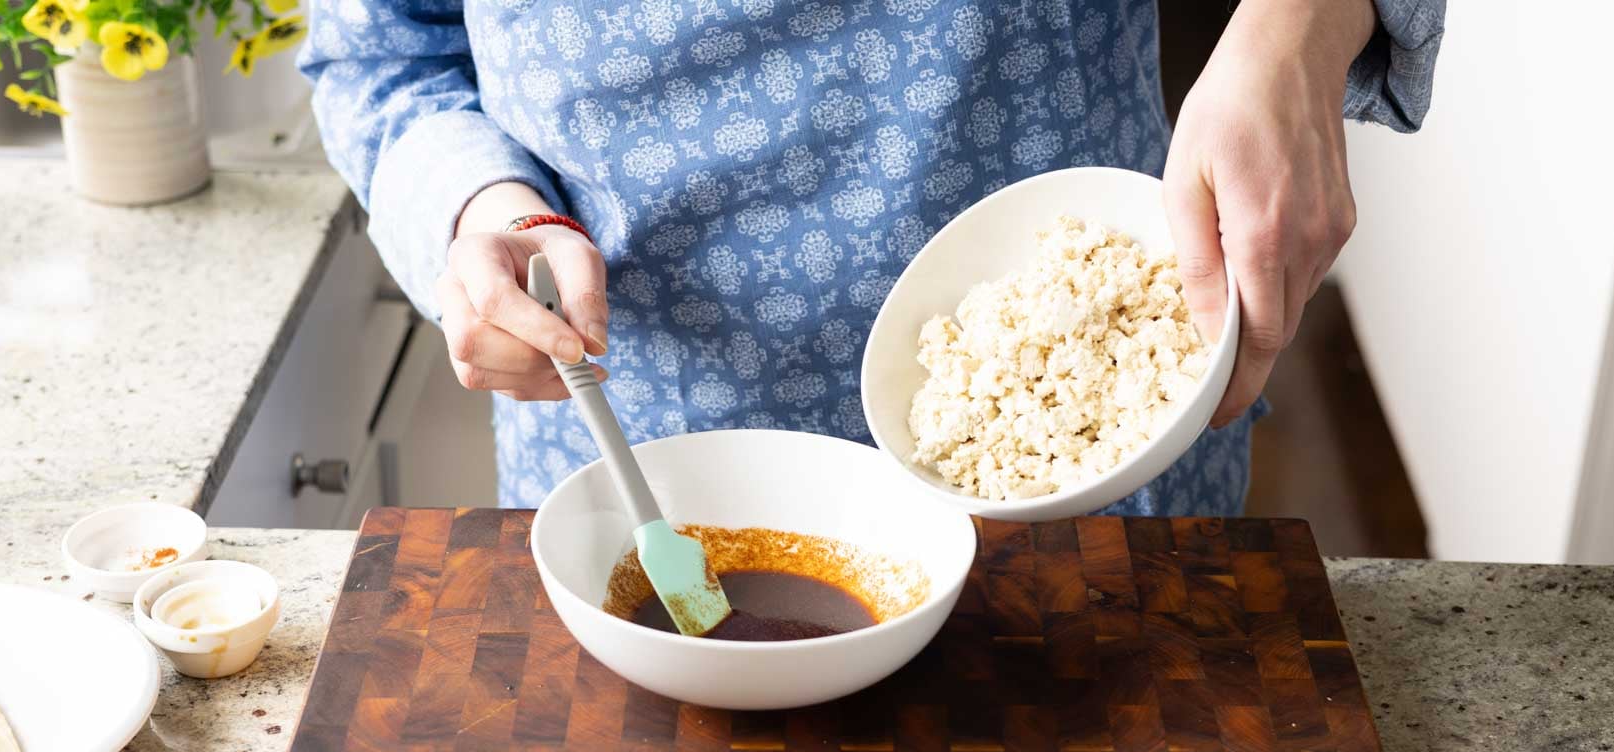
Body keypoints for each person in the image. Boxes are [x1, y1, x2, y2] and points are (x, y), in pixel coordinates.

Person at [302, 0, 1443, 510]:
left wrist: (1299, 27)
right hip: (646, 459)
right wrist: (478, 204)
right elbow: (383, 54)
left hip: (1090, 426)